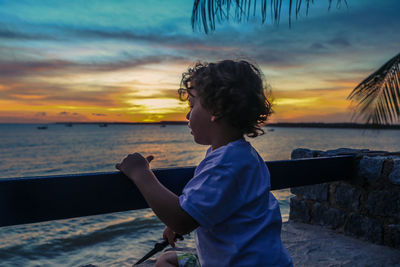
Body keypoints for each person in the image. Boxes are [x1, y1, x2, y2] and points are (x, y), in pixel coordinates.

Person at [116, 60, 293, 267]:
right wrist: (189, 216)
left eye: (192, 105)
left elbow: (181, 220)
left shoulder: (227, 164)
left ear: (215, 109)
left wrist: (140, 173)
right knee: (168, 260)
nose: (187, 115)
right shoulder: (241, 156)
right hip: (253, 259)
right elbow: (217, 203)